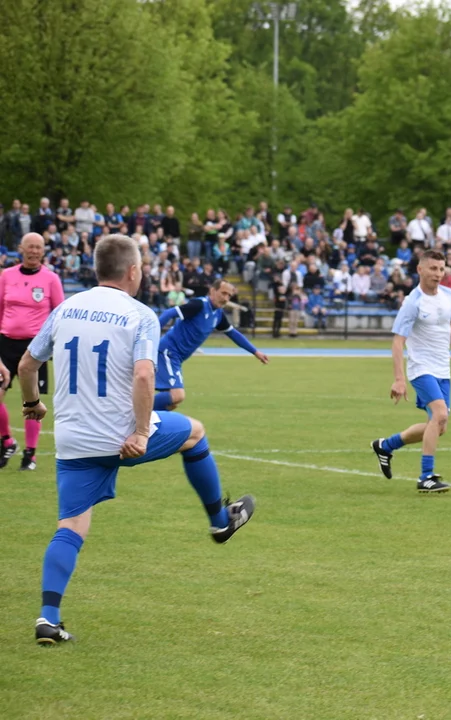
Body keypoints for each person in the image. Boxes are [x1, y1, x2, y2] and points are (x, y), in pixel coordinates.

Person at [24, 234, 256, 645]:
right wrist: (141, 431)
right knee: (195, 432)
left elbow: (28, 363)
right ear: (133, 271)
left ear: (97, 269)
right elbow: (145, 376)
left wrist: (32, 405)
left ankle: (48, 618)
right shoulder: (140, 314)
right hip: (120, 436)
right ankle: (221, 522)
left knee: (71, 527)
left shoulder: (65, 308)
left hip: (74, 440)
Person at [371, 251, 451, 493]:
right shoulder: (412, 302)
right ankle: (425, 477)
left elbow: (450, 325)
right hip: (421, 368)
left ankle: (386, 446)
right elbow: (397, 342)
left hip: (443, 369)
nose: (438, 274)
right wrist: (399, 379)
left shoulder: (449, 296)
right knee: (439, 415)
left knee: (439, 425)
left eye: (441, 269)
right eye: (433, 269)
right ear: (420, 270)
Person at [0, 233, 66, 470]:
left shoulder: (51, 279)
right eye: (30, 247)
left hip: (35, 348)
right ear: (21, 248)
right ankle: (7, 440)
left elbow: (60, 315)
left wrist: (54, 347)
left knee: (31, 401)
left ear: (43, 250)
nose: (34, 251)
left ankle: (30, 454)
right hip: (5, 344)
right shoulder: (7, 276)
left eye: (38, 247)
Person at [153, 280, 270, 411]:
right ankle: (138, 410)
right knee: (177, 395)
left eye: (229, 296)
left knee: (170, 404)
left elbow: (233, 334)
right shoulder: (199, 305)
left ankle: (144, 423)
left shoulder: (218, 314)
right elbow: (169, 313)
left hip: (176, 358)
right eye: (223, 293)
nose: (226, 298)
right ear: (212, 291)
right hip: (167, 353)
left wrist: (255, 352)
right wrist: (151, 336)